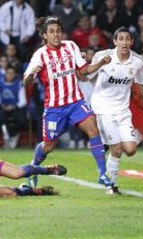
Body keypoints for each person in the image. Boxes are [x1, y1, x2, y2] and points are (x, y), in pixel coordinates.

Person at [23, 16, 113, 189]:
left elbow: (84, 70)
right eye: (52, 32)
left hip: (75, 102)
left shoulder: (71, 46)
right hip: (55, 109)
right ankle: (34, 165)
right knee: (49, 145)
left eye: (58, 31)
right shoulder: (39, 55)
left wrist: (100, 62)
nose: (56, 35)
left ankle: (102, 174)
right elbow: (25, 82)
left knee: (93, 128)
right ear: (44, 36)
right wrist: (31, 75)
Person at [87, 27, 143, 193]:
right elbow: (87, 75)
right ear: (115, 41)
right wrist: (94, 64)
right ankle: (111, 184)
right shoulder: (103, 56)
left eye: (127, 39)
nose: (124, 42)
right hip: (103, 108)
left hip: (123, 110)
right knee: (116, 149)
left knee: (130, 150)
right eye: (121, 39)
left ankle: (109, 144)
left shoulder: (138, 61)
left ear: (131, 42)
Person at [0, 66, 27, 149]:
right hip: (3, 107)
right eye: (8, 73)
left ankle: (14, 136)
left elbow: (23, 101)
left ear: (15, 74)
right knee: (1, 116)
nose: (10, 75)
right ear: (5, 74)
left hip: (15, 107)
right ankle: (6, 138)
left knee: (20, 119)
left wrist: (13, 106)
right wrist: (2, 105)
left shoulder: (19, 83)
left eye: (12, 73)